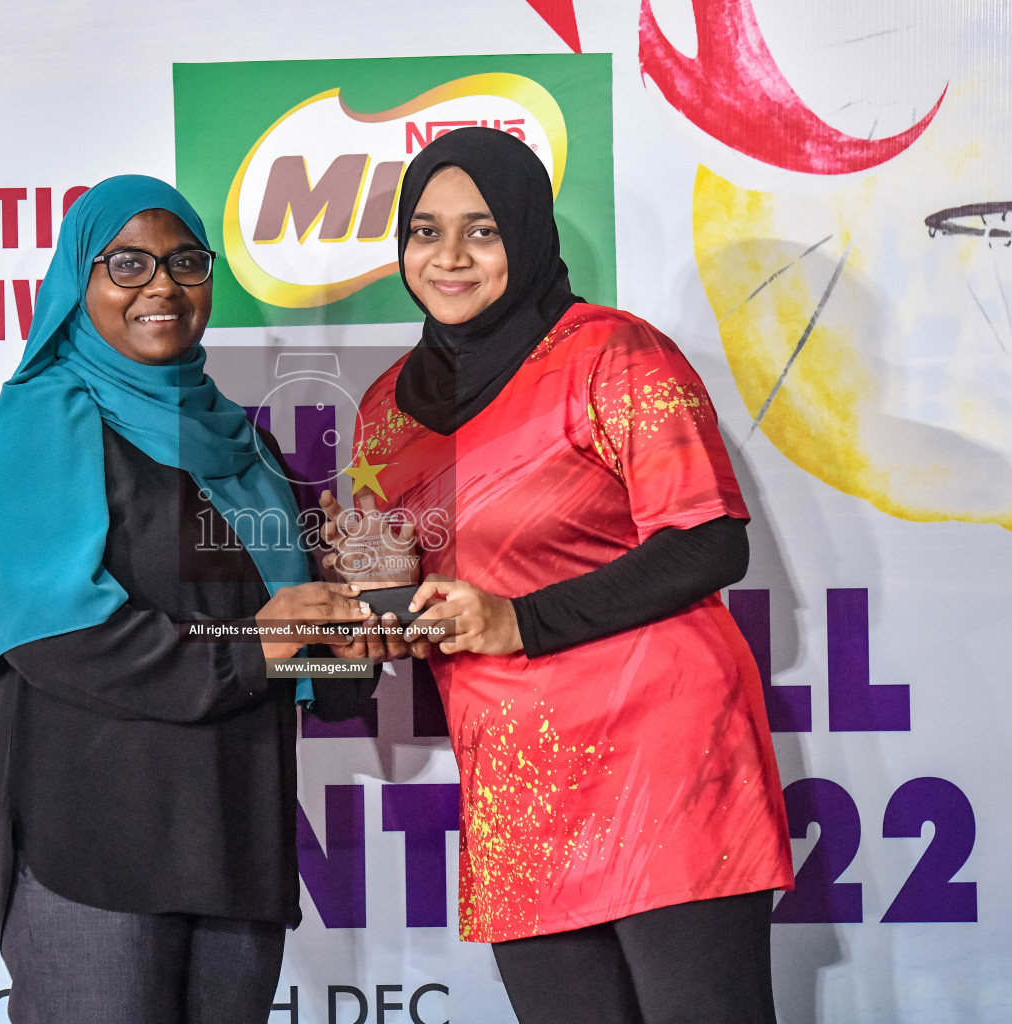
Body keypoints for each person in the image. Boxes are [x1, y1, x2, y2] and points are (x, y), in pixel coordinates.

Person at [324, 128, 795, 1024]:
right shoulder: (386, 409)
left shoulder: (614, 355)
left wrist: (519, 620)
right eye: (425, 231)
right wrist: (372, 612)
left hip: (663, 759)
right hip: (516, 782)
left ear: (530, 235)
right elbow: (413, 584)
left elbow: (707, 543)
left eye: (483, 230)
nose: (449, 256)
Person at [0, 175, 401, 1024]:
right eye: (129, 263)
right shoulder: (39, 424)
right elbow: (61, 638)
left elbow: (313, 660)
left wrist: (366, 610)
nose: (163, 285)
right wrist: (253, 647)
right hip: (92, 840)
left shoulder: (245, 447)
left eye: (186, 261)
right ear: (80, 281)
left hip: (233, 836)